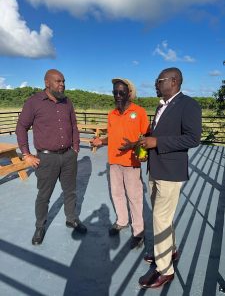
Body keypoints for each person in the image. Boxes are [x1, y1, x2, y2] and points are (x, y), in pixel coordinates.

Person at [137, 67, 202, 288]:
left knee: (160, 219)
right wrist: (148, 144)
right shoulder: (161, 106)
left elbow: (193, 139)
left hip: (170, 172)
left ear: (173, 81)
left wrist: (157, 143)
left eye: (159, 80)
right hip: (156, 168)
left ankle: (165, 270)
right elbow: (161, 134)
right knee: (162, 217)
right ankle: (169, 251)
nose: (155, 83)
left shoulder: (188, 105)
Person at [16, 69, 87, 245]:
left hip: (68, 156)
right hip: (46, 158)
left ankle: (71, 219)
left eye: (63, 81)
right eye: (58, 81)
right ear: (47, 83)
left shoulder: (67, 102)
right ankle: (40, 226)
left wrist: (76, 148)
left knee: (70, 191)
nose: (62, 84)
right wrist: (26, 154)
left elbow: (74, 126)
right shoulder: (33, 102)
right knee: (44, 195)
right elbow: (21, 128)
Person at [91, 78, 150, 249]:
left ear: (129, 93)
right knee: (116, 194)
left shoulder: (139, 112)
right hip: (114, 161)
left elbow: (147, 136)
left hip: (131, 163)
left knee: (134, 197)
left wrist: (135, 147)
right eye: (114, 92)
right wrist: (101, 142)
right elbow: (113, 137)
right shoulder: (112, 114)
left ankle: (138, 232)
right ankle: (122, 221)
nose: (117, 95)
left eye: (121, 92)